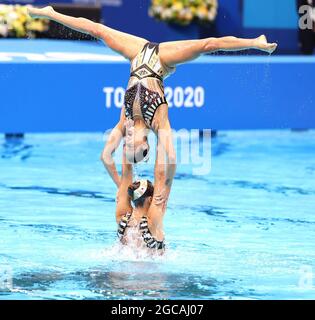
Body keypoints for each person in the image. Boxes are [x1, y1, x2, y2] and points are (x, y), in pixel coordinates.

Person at [27, 6, 277, 205]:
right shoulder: (158, 119)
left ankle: (50, 13)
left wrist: (121, 187)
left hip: (137, 55)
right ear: (145, 145)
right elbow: (171, 156)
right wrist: (166, 188)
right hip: (160, 61)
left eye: (126, 144)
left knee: (98, 30)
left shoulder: (124, 122)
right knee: (207, 45)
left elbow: (105, 156)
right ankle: (256, 42)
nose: (128, 140)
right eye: (133, 144)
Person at [115, 146, 168, 253]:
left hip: (122, 269)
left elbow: (126, 174)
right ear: (150, 199)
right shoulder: (153, 222)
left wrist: (128, 137)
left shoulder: (121, 217)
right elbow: (160, 175)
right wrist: (161, 137)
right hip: (153, 269)